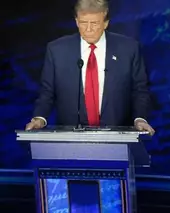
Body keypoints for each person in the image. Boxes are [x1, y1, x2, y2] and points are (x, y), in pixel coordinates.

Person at [25, 0, 155, 135]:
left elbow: (139, 90)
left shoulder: (128, 49)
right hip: (70, 137)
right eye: (83, 23)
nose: (88, 29)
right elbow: (47, 92)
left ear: (106, 23)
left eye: (94, 23)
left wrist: (140, 119)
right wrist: (39, 118)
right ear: (76, 21)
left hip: (118, 135)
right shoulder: (57, 50)